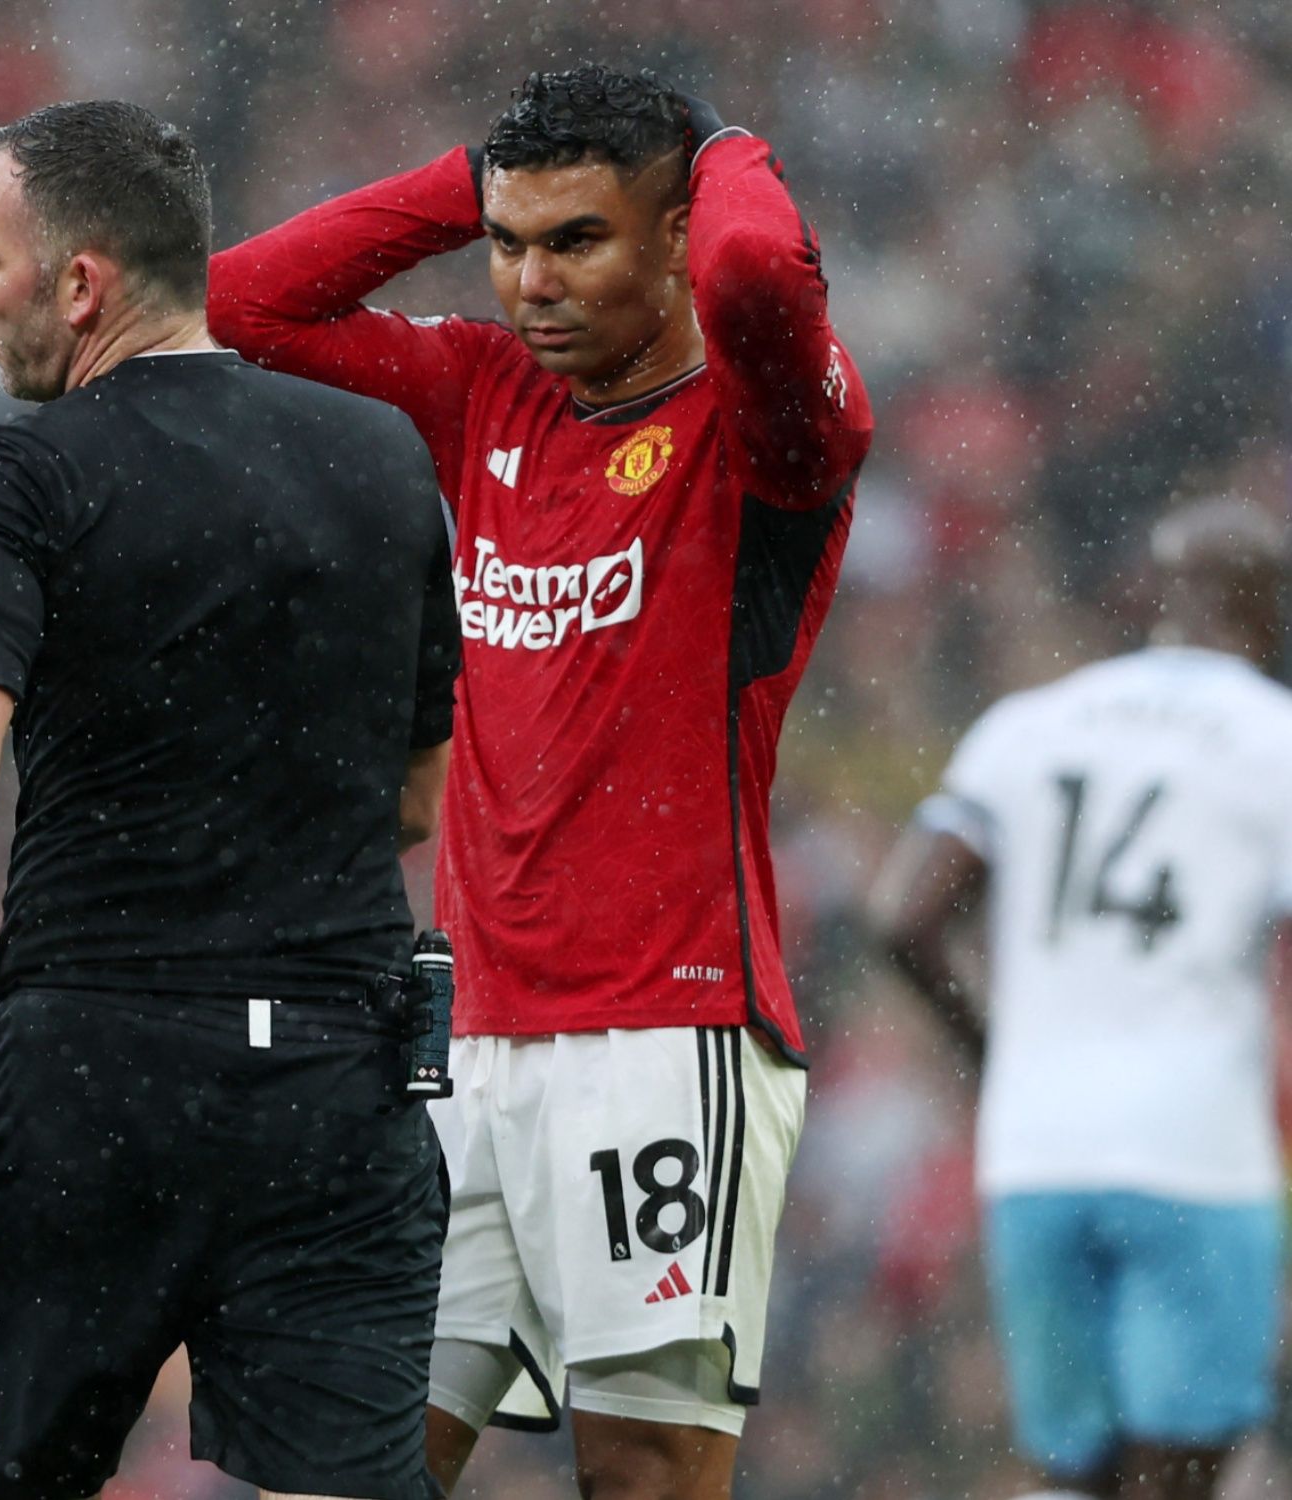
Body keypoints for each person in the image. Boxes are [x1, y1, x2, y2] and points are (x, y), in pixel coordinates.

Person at [0, 99, 460, 1500]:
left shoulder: (26, 471)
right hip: (336, 1083)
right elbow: (416, 792)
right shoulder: (384, 461)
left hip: (100, 1082)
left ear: (80, 285)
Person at [207, 65, 877, 1497]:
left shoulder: (769, 431)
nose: (528, 283)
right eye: (506, 244)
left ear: (676, 232)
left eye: (577, 239)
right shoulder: (482, 393)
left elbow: (759, 269)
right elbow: (243, 307)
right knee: (342, 1463)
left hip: (665, 1028)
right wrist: (471, 177)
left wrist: (723, 142)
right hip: (464, 1040)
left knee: (637, 1475)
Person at [870, 500, 1292, 1500]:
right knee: (1188, 1473)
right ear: (1271, 612)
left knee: (1071, 1471)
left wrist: (997, 1057)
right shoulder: (1275, 742)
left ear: (1158, 600)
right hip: (1195, 1152)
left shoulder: (1028, 725)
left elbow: (903, 918)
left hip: (1038, 1152)